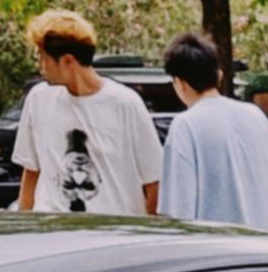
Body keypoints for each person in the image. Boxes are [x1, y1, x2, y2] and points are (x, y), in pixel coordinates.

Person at [14, 11, 161, 220]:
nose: (40, 66)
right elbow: (30, 171)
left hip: (111, 234)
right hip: (52, 232)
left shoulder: (125, 104)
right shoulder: (38, 99)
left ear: (67, 61)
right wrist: (24, 224)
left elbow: (154, 182)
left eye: (43, 57)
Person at [157, 35, 268, 231]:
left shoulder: (185, 126)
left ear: (180, 83)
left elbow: (179, 215)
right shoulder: (255, 115)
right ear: (219, 76)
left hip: (220, 256)